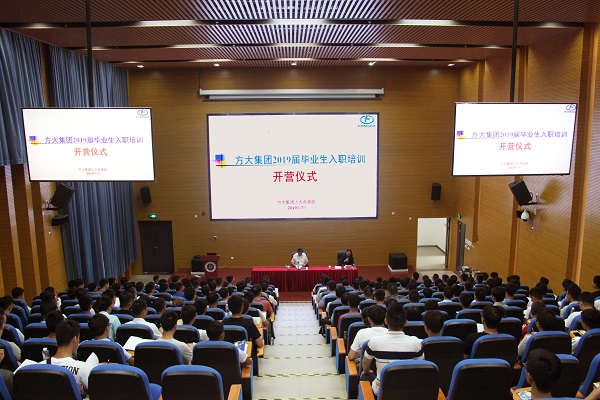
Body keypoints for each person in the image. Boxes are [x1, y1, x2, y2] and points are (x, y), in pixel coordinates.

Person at [361, 302, 423, 396]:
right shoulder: (416, 343)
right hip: (408, 390)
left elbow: (365, 363)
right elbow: (420, 367)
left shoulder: (374, 341)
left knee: (366, 377)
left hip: (381, 390)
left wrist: (366, 371)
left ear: (386, 321)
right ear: (406, 322)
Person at [42, 319, 98, 397]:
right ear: (75, 339)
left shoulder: (41, 366)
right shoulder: (83, 368)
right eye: (79, 338)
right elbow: (98, 392)